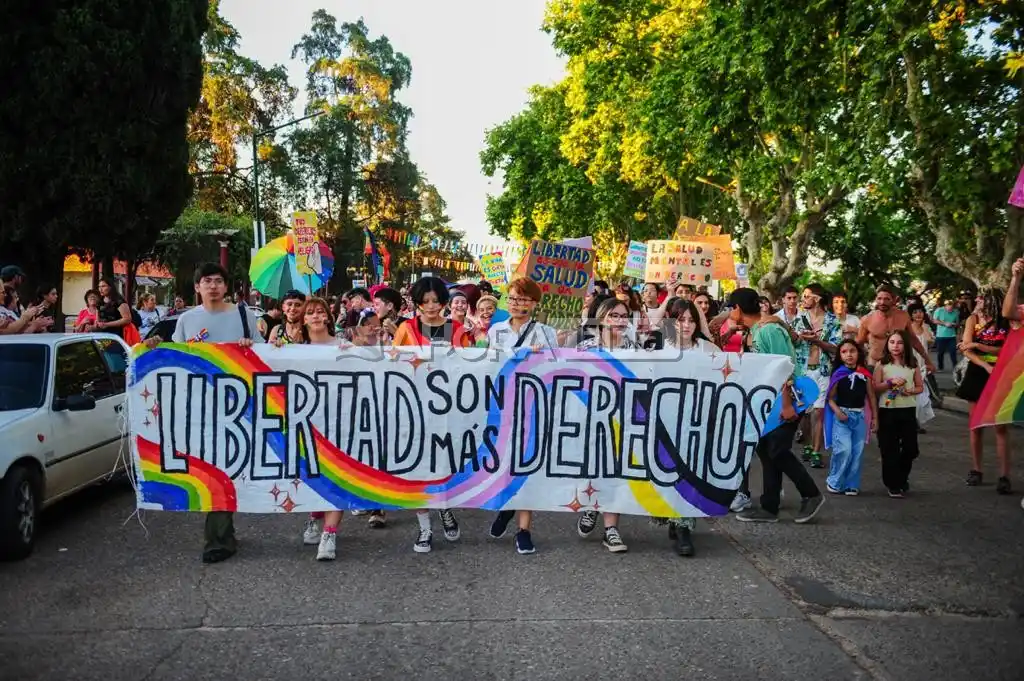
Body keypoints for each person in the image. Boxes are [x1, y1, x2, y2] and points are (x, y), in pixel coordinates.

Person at [147, 263, 263, 563]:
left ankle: (223, 532)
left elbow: (265, 357)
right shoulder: (186, 320)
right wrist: (152, 348)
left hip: (240, 406)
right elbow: (175, 360)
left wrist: (251, 346)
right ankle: (219, 538)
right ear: (197, 287)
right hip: (202, 409)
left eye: (218, 281)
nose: (213, 286)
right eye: (207, 281)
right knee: (214, 470)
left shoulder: (243, 315)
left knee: (234, 469)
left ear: (226, 286)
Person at [729, 287, 825, 524]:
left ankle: (811, 494)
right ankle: (769, 507)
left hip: (787, 399)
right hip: (768, 401)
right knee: (765, 448)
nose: (729, 312)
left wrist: (787, 404)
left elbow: (785, 367)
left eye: (731, 307)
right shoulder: (755, 330)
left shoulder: (769, 330)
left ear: (738, 309)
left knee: (778, 451)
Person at [392, 277, 468, 552]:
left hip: (448, 409)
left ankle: (444, 506)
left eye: (436, 301)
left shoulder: (457, 329)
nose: (431, 306)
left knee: (445, 463)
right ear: (417, 303)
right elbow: (390, 362)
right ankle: (424, 528)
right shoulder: (406, 327)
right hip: (413, 408)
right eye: (425, 301)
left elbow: (471, 366)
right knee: (417, 468)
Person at [485, 278, 559, 555]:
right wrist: (522, 354)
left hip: (533, 404)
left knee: (527, 465)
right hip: (503, 402)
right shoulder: (497, 330)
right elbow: (491, 363)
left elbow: (555, 367)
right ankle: (507, 505)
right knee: (504, 462)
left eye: (524, 299)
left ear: (534, 303)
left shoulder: (546, 332)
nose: (518, 304)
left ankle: (524, 529)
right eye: (514, 299)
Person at [575, 296, 643, 552]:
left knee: (616, 471)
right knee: (593, 468)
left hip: (623, 420)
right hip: (591, 419)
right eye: (613, 315)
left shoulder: (637, 350)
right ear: (601, 319)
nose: (619, 320)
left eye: (623, 316)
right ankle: (591, 506)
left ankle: (611, 530)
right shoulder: (585, 349)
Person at [656, 298, 721, 556]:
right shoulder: (660, 348)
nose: (686, 325)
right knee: (668, 472)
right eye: (681, 319)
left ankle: (684, 525)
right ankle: (673, 518)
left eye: (691, 320)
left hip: (696, 422)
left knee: (691, 472)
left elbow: (735, 372)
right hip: (666, 420)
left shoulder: (707, 349)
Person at [958, 288, 1012, 494]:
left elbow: (1008, 348)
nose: (978, 301)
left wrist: (980, 345)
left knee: (1000, 427)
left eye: (982, 298)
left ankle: (1004, 475)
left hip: (1002, 372)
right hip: (978, 372)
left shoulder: (1006, 321)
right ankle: (976, 469)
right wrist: (986, 365)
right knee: (976, 425)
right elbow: (966, 349)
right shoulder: (973, 319)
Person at [793, 283, 842, 469]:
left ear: (818, 299)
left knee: (818, 411)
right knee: (805, 412)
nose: (803, 299)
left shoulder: (832, 321)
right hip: (803, 370)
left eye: (806, 296)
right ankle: (806, 445)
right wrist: (799, 337)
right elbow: (793, 342)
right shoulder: (800, 318)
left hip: (823, 370)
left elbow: (836, 348)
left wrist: (818, 341)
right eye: (803, 296)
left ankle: (816, 450)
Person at [873, 330, 924, 498]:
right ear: (887, 345)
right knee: (889, 449)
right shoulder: (882, 365)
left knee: (911, 449)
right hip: (887, 410)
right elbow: (874, 387)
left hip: (907, 410)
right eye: (892, 342)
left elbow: (919, 386)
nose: (895, 346)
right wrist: (889, 383)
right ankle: (893, 483)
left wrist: (910, 391)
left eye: (899, 342)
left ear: (905, 345)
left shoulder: (912, 364)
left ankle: (902, 477)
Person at [824, 340, 877, 495]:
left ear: (858, 353)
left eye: (852, 351)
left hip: (859, 416)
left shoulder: (865, 374)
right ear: (840, 355)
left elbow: (872, 397)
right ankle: (834, 480)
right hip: (842, 416)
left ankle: (851, 484)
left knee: (857, 451)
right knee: (844, 450)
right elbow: (830, 398)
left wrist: (875, 418)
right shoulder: (838, 374)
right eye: (844, 352)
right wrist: (838, 412)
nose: (849, 355)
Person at [856, 285, 935, 373]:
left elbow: (913, 340)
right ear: (876, 299)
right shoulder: (867, 319)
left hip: (898, 365)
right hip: (875, 365)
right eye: (879, 298)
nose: (882, 302)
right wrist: (859, 364)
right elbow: (859, 343)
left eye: (886, 299)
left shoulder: (904, 316)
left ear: (894, 300)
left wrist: (928, 360)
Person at [907, 302, 937, 429]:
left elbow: (928, 344)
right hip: (911, 365)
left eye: (920, 311)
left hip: (923, 365)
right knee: (913, 394)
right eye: (914, 312)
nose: (918, 314)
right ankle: (912, 422)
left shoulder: (926, 327)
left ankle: (917, 421)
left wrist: (929, 363)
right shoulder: (908, 328)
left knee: (922, 395)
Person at [932, 299, 960, 371]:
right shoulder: (939, 310)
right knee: (940, 353)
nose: (951, 309)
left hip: (951, 336)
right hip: (941, 336)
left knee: (953, 352)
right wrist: (945, 324)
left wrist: (953, 325)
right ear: (945, 306)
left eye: (952, 308)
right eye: (949, 307)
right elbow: (934, 320)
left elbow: (957, 323)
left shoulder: (956, 312)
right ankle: (940, 367)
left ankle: (955, 367)